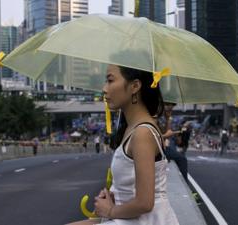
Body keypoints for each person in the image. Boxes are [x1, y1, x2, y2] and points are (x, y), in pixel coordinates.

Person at [67, 65, 179, 225]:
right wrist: (115, 195)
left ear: (135, 86)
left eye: (110, 80)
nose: (104, 89)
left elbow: (145, 203)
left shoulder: (142, 133)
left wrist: (110, 211)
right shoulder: (133, 128)